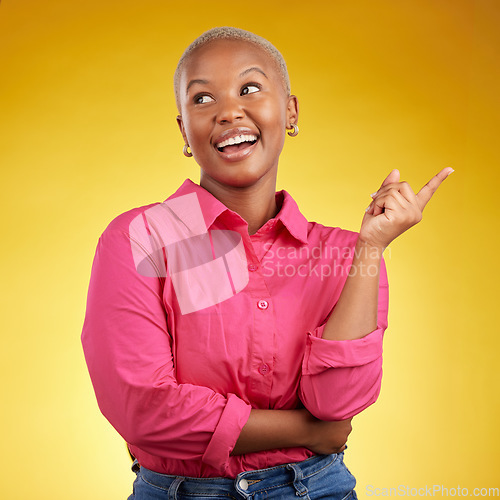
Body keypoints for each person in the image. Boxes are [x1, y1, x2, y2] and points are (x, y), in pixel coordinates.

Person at [81, 27, 452, 499]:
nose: (227, 111)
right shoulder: (141, 238)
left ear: (291, 111)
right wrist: (306, 432)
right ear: (184, 131)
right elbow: (142, 410)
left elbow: (337, 405)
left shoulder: (345, 253)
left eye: (249, 89)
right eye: (202, 99)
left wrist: (371, 248)